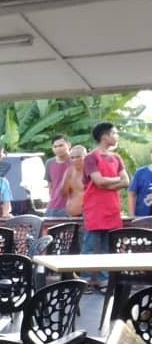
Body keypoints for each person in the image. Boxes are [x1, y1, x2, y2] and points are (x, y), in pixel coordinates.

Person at [82, 121, 129, 290]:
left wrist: (108, 184)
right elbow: (98, 180)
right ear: (104, 136)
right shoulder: (91, 158)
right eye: (114, 133)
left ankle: (104, 281)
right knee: (89, 246)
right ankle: (84, 281)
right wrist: (116, 180)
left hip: (112, 208)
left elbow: (126, 181)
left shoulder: (117, 158)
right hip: (95, 208)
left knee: (108, 246)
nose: (116, 136)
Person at [44, 134, 72, 218]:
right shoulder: (49, 163)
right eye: (55, 146)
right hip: (53, 207)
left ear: (69, 145)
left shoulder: (76, 161)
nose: (58, 149)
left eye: (61, 145)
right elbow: (50, 186)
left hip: (71, 207)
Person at [61, 144, 88, 217]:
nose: (75, 160)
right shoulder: (69, 171)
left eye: (78, 157)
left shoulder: (91, 172)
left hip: (87, 214)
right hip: (71, 214)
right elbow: (63, 193)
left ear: (86, 156)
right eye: (72, 157)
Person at [128, 148, 152, 219]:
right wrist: (132, 216)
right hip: (142, 218)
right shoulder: (140, 173)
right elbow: (131, 194)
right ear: (151, 155)